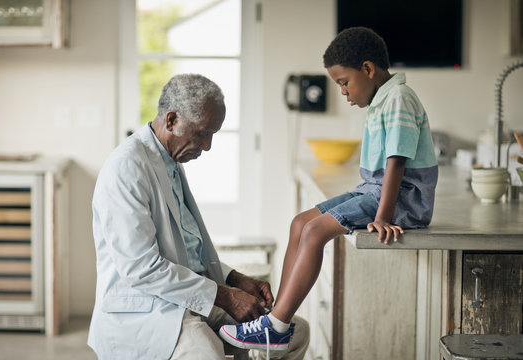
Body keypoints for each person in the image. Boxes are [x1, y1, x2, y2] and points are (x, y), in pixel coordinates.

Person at [220, 26, 438, 350]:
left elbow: (396, 163)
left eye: (344, 83)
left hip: (403, 198)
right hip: (374, 189)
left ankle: (275, 328)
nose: (344, 92)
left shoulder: (399, 98)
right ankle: (279, 315)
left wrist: (383, 216)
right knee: (299, 223)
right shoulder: (383, 98)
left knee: (314, 232)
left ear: (368, 69)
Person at [87, 73, 309, 360]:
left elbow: (186, 250)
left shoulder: (170, 162)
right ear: (171, 120)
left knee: (294, 333)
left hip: (184, 297)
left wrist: (234, 278)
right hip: (147, 309)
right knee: (205, 350)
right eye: (202, 133)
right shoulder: (127, 168)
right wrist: (226, 296)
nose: (207, 146)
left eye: (212, 135)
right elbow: (141, 268)